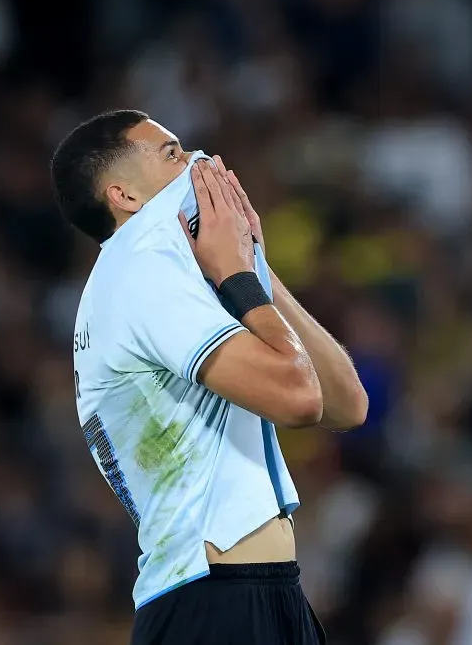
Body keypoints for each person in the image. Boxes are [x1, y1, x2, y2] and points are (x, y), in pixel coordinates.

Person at [50, 109, 367, 644]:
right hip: (215, 601)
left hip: (260, 591)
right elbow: (298, 399)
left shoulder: (169, 278)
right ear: (124, 196)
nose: (201, 163)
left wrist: (253, 263)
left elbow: (345, 404)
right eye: (172, 154)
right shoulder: (139, 271)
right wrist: (238, 275)